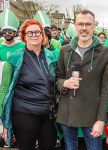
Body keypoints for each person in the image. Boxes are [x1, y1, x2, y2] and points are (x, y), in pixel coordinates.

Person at [56, 9, 108, 150]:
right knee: (70, 147)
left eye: (88, 24)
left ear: (94, 26)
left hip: (92, 115)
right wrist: (65, 83)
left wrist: (101, 119)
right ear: (75, 26)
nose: (84, 28)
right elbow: (57, 78)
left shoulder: (105, 53)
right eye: (80, 24)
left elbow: (105, 89)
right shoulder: (64, 50)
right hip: (67, 112)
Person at [1, 19, 57, 150]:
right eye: (30, 33)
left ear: (42, 35)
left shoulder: (51, 57)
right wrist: (1, 120)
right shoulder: (14, 58)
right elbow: (4, 89)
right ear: (24, 36)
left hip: (48, 113)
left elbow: (56, 83)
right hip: (24, 113)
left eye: (37, 32)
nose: (34, 35)